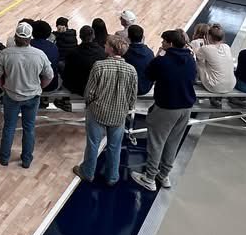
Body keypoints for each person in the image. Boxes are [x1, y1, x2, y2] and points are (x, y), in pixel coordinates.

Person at [131, 29, 198, 191]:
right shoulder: (190, 59)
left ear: (170, 43)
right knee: (173, 142)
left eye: (163, 42)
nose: (161, 44)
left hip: (167, 107)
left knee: (156, 143)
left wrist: (159, 56)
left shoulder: (162, 61)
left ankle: (149, 178)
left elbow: (148, 74)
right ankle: (164, 175)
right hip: (186, 108)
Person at [74, 35, 137, 186]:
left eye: (106, 44)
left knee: (93, 143)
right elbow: (132, 95)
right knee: (115, 147)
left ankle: (87, 172)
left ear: (111, 49)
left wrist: (89, 104)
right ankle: (112, 177)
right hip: (119, 113)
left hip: (97, 111)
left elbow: (89, 92)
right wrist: (126, 109)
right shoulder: (131, 70)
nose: (104, 45)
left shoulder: (99, 66)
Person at [0, 22, 53, 168]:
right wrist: (40, 87)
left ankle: (5, 157)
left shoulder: (5, 54)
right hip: (32, 97)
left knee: (9, 127)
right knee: (29, 128)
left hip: (11, 97)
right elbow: (49, 76)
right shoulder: (40, 55)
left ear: (15, 37)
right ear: (30, 38)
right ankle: (26, 159)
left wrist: (4, 87)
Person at [61, 26, 106, 95]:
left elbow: (67, 73)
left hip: (77, 88)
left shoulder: (73, 53)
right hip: (96, 87)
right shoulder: (102, 52)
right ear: (93, 36)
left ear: (80, 37)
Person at [195, 24, 234, 95]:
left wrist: (205, 46)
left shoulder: (205, 48)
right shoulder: (227, 47)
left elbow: (196, 56)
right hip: (231, 85)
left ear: (209, 36)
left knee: (200, 62)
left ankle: (195, 81)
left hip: (215, 87)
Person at [123, 25, 155, 95]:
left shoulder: (125, 53)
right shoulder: (150, 53)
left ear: (128, 37)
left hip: (129, 89)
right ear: (142, 37)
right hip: (146, 87)